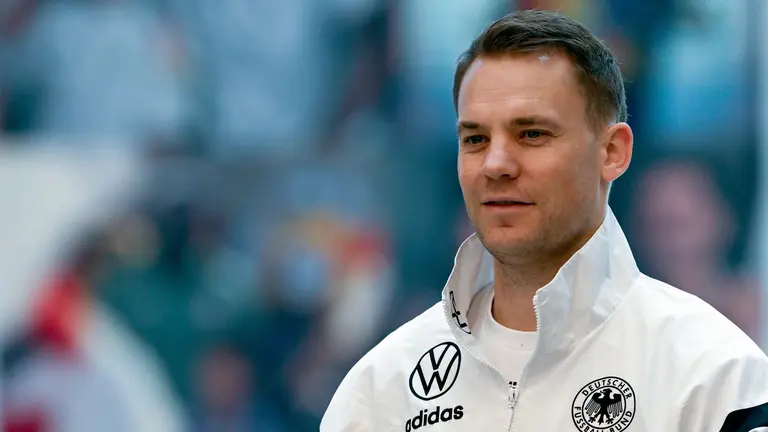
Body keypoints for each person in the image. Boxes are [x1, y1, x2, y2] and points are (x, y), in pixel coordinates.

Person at [321, 10, 768, 432]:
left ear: (612, 152)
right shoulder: (381, 388)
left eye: (532, 134)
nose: (496, 164)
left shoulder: (715, 376)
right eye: (475, 139)